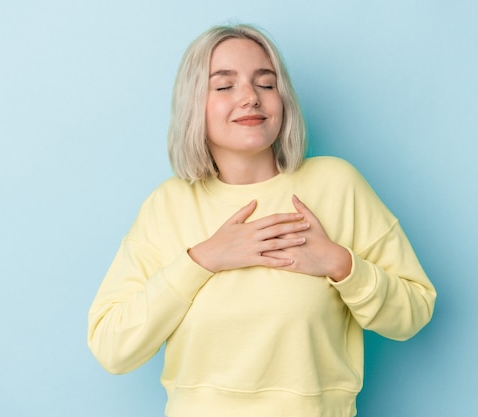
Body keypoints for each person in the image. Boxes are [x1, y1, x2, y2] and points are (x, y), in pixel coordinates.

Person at [88, 23, 436, 417]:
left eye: (266, 84)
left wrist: (340, 264)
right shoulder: (167, 206)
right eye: (224, 86)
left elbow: (414, 312)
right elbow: (111, 347)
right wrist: (202, 260)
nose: (250, 97)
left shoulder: (336, 185)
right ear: (193, 104)